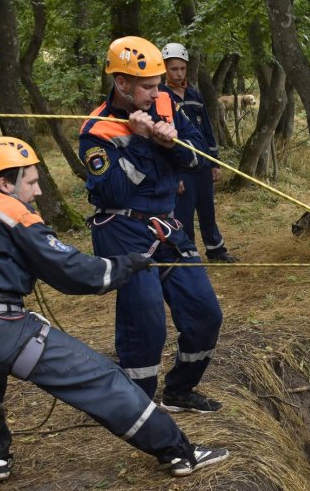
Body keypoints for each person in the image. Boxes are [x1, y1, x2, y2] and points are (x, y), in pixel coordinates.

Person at [0, 136, 229, 481]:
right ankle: (178, 452)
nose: (38, 191)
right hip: (1, 331)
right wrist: (127, 265)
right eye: (30, 181)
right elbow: (73, 272)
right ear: (4, 183)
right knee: (101, 380)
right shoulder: (12, 212)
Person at [78, 36, 224, 413]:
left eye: (158, 83)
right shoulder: (97, 131)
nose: (155, 92)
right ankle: (138, 409)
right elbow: (116, 191)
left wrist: (171, 143)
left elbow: (201, 157)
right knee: (146, 323)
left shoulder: (167, 106)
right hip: (122, 229)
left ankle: (179, 390)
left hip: (168, 227)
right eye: (146, 86)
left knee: (205, 314)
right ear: (121, 83)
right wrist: (143, 141)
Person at [159, 42, 238, 263]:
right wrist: (173, 175)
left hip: (202, 164)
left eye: (182, 68)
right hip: (181, 169)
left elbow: (206, 130)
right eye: (174, 68)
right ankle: (187, 254)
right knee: (183, 215)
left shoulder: (194, 95)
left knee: (207, 210)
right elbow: (160, 142)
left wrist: (215, 162)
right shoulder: (160, 98)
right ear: (164, 68)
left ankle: (216, 250)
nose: (179, 73)